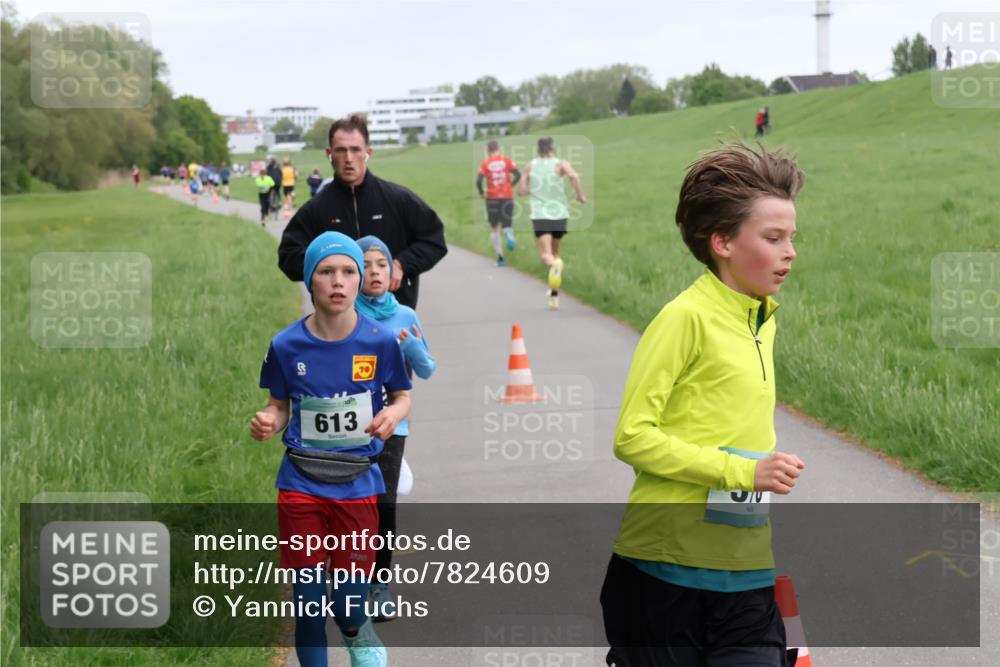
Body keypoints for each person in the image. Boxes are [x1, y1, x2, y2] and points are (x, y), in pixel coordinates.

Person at [600, 140, 807, 667]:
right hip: (665, 570)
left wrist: (754, 474)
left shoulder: (763, 319)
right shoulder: (683, 319)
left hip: (746, 569)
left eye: (792, 237)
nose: (790, 252)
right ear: (723, 242)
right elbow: (632, 436)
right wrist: (743, 471)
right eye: (774, 237)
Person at [251, 231, 412, 667]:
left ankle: (358, 633)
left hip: (358, 486)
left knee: (346, 605)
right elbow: (278, 405)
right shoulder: (285, 346)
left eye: (348, 272)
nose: (337, 281)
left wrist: (394, 416)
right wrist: (270, 421)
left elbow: (402, 395)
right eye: (326, 272)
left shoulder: (379, 342)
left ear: (360, 281)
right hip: (301, 484)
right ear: (310, 281)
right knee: (306, 605)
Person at [278, 114, 448, 310]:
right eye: (341, 150)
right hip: (338, 325)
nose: (348, 158)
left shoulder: (398, 199)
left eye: (355, 150)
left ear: (368, 152)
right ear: (329, 153)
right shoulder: (316, 209)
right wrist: (330, 267)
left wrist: (401, 265)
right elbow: (288, 256)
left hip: (393, 320)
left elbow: (434, 239)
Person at [353, 235, 436, 622]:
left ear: (393, 273)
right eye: (366, 264)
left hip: (392, 424)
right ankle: (351, 580)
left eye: (381, 265)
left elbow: (427, 369)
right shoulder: (346, 313)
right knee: (355, 506)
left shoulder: (404, 315)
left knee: (384, 505)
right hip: (349, 424)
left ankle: (380, 585)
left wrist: (414, 351)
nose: (374, 272)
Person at [516, 136, 586, 310]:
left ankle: (554, 266)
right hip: (560, 214)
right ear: (553, 149)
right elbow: (575, 177)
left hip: (540, 215)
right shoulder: (561, 164)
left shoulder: (531, 166)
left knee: (546, 256)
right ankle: (553, 296)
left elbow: (522, 192)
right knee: (555, 254)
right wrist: (580, 196)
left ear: (539, 150)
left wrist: (527, 182)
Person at [476, 140, 521, 267]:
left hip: (492, 198)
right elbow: (518, 174)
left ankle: (501, 258)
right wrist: (510, 186)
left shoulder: (485, 164)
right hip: (507, 196)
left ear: (488, 151)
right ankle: (509, 234)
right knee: (507, 223)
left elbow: (479, 180)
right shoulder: (507, 160)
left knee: (494, 227)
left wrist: (481, 192)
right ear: (498, 149)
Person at [267, 157, 283, 222]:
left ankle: (273, 204)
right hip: (277, 183)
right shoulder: (278, 166)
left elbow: (267, 175)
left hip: (273, 183)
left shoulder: (269, 167)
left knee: (271, 193)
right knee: (277, 192)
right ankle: (278, 202)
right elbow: (281, 174)